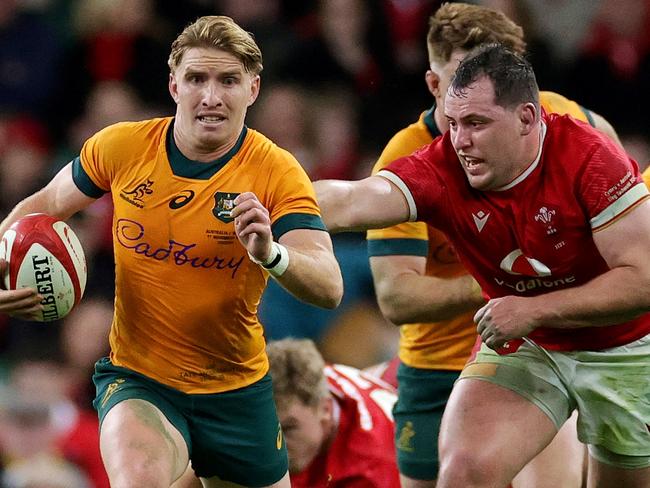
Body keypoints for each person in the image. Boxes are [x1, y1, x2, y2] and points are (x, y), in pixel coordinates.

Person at [0, 15, 343, 488]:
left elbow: (329, 286)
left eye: (228, 81)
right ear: (173, 85)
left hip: (236, 390)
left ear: (254, 89)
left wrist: (271, 254)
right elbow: (44, 206)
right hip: (139, 379)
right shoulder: (121, 147)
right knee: (139, 478)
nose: (211, 96)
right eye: (197, 79)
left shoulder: (277, 173)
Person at [315, 44, 650, 488]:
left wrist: (532, 309)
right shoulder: (443, 165)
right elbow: (355, 199)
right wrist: (274, 201)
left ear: (528, 119)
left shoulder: (591, 157)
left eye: (477, 123)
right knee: (464, 473)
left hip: (624, 347)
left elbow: (643, 282)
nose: (460, 140)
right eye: (453, 123)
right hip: (528, 345)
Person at [366, 3, 617, 487]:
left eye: (497, 79)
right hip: (437, 366)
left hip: (544, 350)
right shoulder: (405, 157)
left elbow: (623, 217)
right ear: (434, 84)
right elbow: (397, 297)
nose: (477, 94)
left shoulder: (568, 120)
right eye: (461, 79)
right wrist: (510, 286)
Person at [265, 338, 399, 487]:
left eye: (288, 428)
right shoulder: (304, 375)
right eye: (266, 430)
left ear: (325, 410)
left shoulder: (370, 471)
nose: (276, 445)